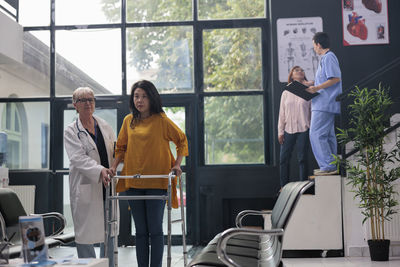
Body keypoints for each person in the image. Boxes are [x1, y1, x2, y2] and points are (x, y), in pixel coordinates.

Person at [110, 80, 188, 267]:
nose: (140, 100)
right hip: (134, 183)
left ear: (152, 98)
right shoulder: (129, 121)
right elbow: (121, 148)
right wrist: (113, 167)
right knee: (141, 231)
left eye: (144, 96)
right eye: (136, 96)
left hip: (157, 182)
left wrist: (177, 164)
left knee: (155, 230)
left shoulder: (161, 120)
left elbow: (182, 140)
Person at [64, 87, 117, 266]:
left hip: (107, 185)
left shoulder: (104, 125)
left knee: (109, 230)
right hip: (87, 185)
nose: (88, 103)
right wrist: (99, 170)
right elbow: (77, 158)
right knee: (85, 235)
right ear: (75, 105)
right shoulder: (71, 131)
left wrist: (115, 166)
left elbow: (114, 151)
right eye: (83, 100)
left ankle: (107, 264)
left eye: (91, 99)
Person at [306, 32, 342, 175]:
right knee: (327, 135)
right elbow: (327, 79)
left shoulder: (329, 58)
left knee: (316, 134)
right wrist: (313, 84)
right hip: (324, 103)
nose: (314, 48)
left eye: (314, 45)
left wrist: (316, 88)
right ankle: (332, 164)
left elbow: (335, 79)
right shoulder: (326, 59)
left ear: (318, 44)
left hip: (324, 104)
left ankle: (328, 166)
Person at [278, 66, 313, 189]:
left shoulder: (309, 91)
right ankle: (284, 187)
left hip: (304, 128)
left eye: (302, 70)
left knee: (302, 158)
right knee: (284, 159)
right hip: (288, 130)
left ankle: (304, 187)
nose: (300, 71)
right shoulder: (286, 92)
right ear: (292, 75)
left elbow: (312, 111)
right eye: (296, 70)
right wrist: (280, 132)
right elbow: (281, 114)